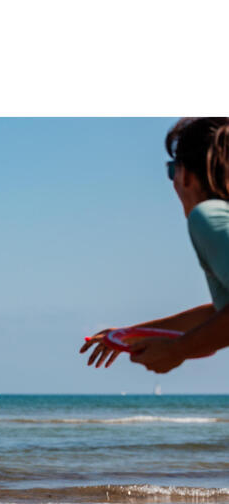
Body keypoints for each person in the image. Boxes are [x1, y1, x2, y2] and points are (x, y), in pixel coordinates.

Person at [81, 117, 229, 373]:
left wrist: (177, 350)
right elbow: (219, 314)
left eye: (172, 169)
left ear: (186, 176)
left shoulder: (208, 215)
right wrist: (130, 334)